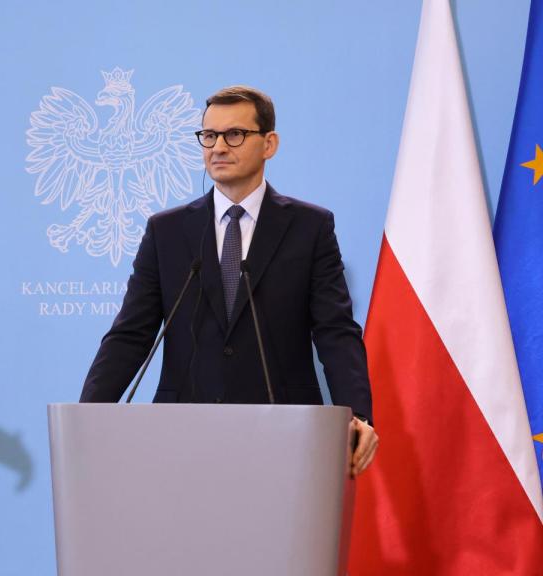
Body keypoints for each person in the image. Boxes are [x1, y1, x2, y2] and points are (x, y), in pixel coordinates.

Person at [80, 86, 378, 475]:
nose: (218, 147)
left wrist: (357, 415)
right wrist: (86, 419)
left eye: (234, 134)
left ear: (269, 143)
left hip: (285, 432)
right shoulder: (167, 231)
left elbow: (335, 330)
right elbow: (131, 335)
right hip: (180, 433)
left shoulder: (310, 228)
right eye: (209, 136)